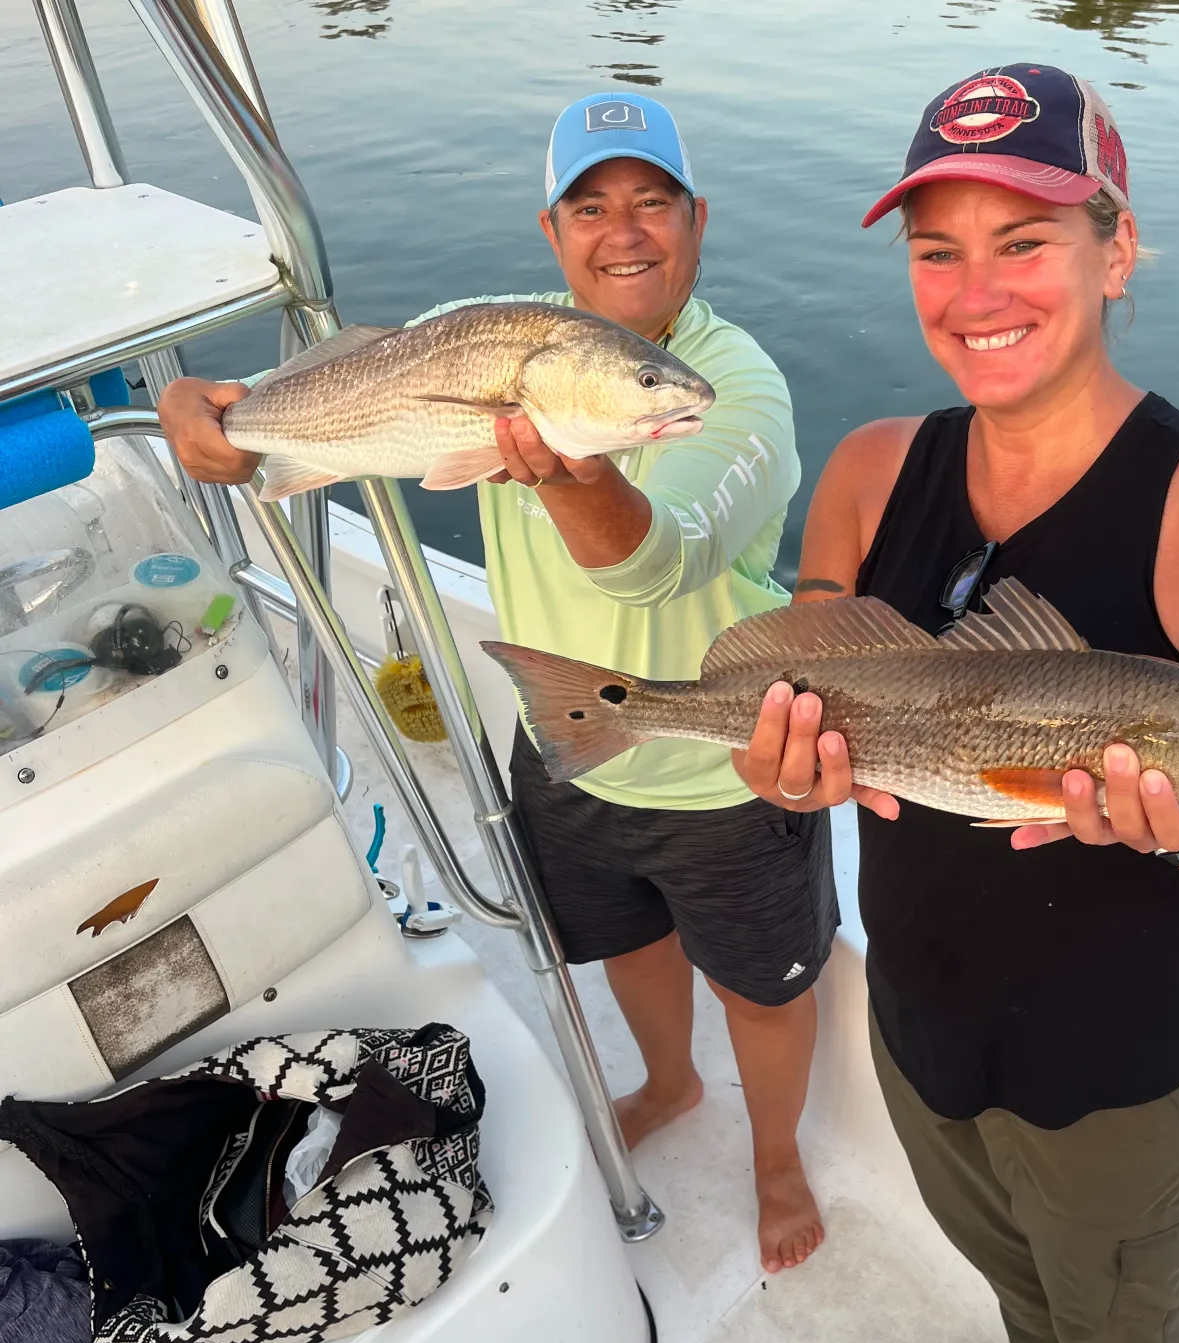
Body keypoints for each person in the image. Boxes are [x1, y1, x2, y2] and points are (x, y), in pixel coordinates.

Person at [732, 65, 1179, 1343]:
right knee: (999, 1250)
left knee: (1120, 1311)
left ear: (1115, 248)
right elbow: (799, 708)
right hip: (920, 1010)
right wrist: (783, 767)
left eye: (1026, 240)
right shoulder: (875, 463)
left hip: (1120, 1061)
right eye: (937, 250)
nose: (976, 290)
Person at [156, 92, 837, 1277]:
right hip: (563, 737)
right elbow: (349, 379)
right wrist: (211, 413)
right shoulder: (484, 333)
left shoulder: (737, 387)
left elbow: (660, 560)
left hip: (730, 757)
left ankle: (778, 1154)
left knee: (766, 992)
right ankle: (669, 1082)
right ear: (553, 229)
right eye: (591, 206)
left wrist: (575, 473)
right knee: (622, 936)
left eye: (652, 202)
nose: (623, 231)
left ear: (696, 219)